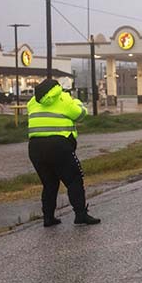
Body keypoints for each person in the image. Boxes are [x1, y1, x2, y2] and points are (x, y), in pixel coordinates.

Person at [27, 78, 100, 227]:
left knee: (49, 183)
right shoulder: (63, 98)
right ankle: (80, 214)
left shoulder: (33, 102)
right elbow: (80, 114)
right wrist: (77, 102)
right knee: (74, 180)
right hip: (59, 146)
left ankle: (48, 218)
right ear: (57, 88)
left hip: (35, 148)